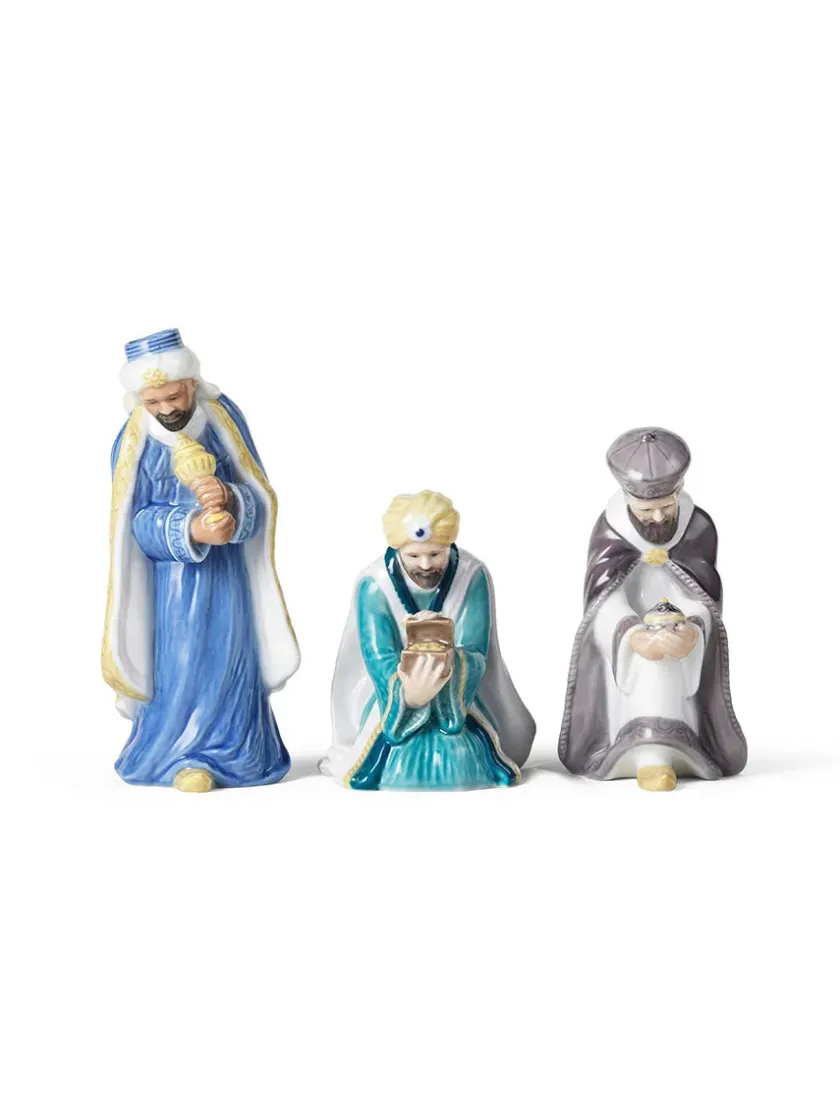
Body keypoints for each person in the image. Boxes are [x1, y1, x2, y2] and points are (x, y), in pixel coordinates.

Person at [102, 328, 299, 791]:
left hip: (228, 576)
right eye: (153, 402)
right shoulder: (135, 442)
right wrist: (190, 528)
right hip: (172, 585)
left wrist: (230, 502)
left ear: (192, 383)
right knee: (181, 662)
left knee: (231, 658)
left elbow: (259, 495)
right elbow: (134, 524)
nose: (166, 409)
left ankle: (243, 754)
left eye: (173, 396)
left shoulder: (222, 423)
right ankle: (177, 755)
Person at [558, 427, 747, 791]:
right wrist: (633, 634)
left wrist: (693, 627)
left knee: (672, 657)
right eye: (647, 509)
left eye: (667, 506)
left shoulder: (697, 528)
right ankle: (647, 757)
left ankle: (686, 749)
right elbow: (602, 600)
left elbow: (703, 592)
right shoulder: (610, 532)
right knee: (650, 663)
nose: (659, 518)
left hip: (682, 634)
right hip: (629, 647)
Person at [324, 490, 535, 790]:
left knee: (461, 756)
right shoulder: (375, 585)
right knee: (399, 760)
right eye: (414, 556)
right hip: (393, 700)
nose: (425, 565)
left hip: (457, 699)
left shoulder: (471, 576)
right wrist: (409, 695)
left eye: (436, 554)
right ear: (397, 549)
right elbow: (378, 657)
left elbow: (475, 650)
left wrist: (443, 670)